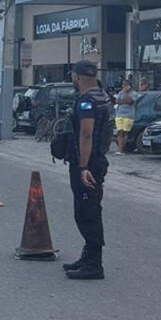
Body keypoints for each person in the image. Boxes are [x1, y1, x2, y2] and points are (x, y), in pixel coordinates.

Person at [62, 61, 113, 281]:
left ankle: (94, 263)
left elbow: (86, 134)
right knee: (88, 210)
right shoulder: (104, 96)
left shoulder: (87, 101)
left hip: (88, 164)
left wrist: (83, 167)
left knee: (87, 213)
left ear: (77, 76)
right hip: (98, 159)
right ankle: (88, 256)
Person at [113, 79, 137, 154]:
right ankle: (120, 149)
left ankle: (123, 149)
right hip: (119, 114)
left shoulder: (134, 93)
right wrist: (123, 101)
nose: (123, 86)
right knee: (119, 132)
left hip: (128, 115)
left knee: (125, 132)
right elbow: (117, 101)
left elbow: (130, 101)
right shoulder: (120, 92)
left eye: (125, 85)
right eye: (123, 85)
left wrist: (126, 94)